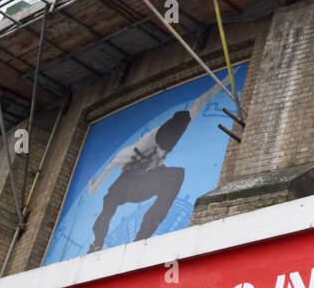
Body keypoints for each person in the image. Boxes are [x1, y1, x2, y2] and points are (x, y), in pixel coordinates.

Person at [85, 79, 226, 252]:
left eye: (164, 152)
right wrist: (93, 188)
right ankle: (98, 240)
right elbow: (107, 171)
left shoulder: (177, 126)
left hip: (152, 180)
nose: (161, 154)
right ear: (155, 143)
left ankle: (142, 238)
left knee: (175, 175)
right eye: (159, 150)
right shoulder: (129, 153)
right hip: (130, 182)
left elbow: (202, 100)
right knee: (110, 199)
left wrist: (224, 80)